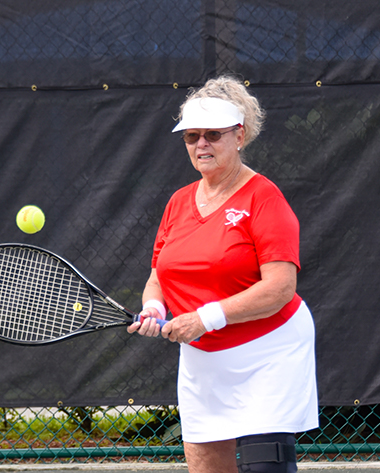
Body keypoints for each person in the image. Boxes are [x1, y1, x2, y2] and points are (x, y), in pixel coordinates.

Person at [128, 76, 318, 473]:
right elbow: (160, 273)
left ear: (239, 136)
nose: (201, 145)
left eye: (213, 135)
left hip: (269, 350)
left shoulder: (265, 198)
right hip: (203, 359)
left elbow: (281, 288)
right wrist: (152, 307)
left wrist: (203, 318)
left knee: (266, 467)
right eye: (191, 136)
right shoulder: (179, 202)